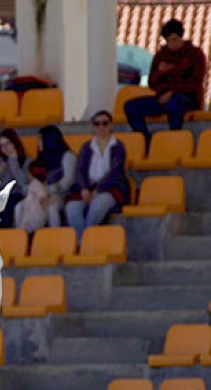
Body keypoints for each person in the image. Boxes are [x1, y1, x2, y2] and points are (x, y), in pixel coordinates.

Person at [123, 18, 207, 146]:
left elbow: (196, 82)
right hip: (162, 99)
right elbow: (152, 83)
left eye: (174, 40)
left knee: (174, 105)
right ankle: (146, 141)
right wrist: (160, 72)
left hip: (187, 99)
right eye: (169, 41)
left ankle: (175, 140)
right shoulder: (161, 56)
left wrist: (173, 92)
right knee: (131, 107)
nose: (172, 44)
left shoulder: (195, 54)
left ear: (181, 37)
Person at [65, 111, 130, 243]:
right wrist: (84, 188)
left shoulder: (118, 146)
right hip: (88, 187)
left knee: (98, 205)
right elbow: (80, 170)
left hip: (111, 188)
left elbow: (115, 172)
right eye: (97, 124)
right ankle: (82, 241)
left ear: (111, 125)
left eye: (105, 123)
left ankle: (86, 241)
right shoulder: (86, 147)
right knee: (72, 208)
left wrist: (98, 189)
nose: (101, 127)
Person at [0, 128, 30, 229]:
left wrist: (13, 161)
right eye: (2, 145)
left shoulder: (27, 161)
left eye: (8, 144)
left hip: (17, 194)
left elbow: (23, 182)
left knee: (6, 205)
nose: (5, 148)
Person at [34, 125, 77, 228]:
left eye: (40, 139)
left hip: (65, 194)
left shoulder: (68, 156)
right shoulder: (42, 159)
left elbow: (68, 181)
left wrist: (49, 190)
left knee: (52, 208)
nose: (38, 143)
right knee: (20, 207)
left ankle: (55, 235)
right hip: (44, 194)